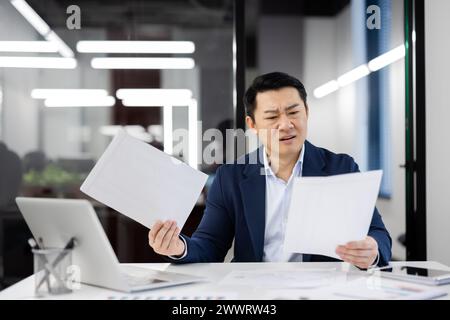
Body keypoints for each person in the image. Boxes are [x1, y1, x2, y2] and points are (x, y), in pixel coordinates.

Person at [148, 72, 392, 269]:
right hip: (255, 294)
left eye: (294, 112)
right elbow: (210, 244)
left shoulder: (341, 168)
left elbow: (378, 233)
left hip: (322, 290)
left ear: (307, 112)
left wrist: (371, 249)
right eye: (272, 116)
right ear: (252, 124)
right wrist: (179, 248)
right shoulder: (230, 177)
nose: (285, 124)